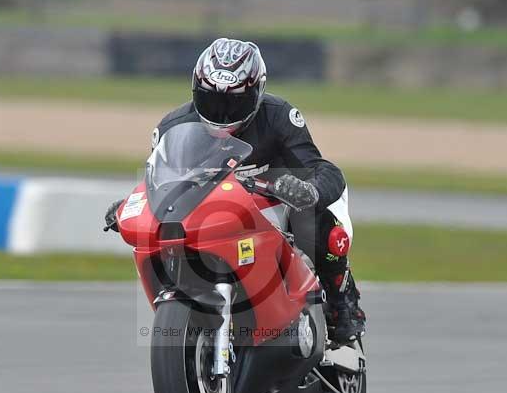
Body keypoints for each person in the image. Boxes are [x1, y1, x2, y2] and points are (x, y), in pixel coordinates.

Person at [105, 38, 365, 343]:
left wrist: (307, 189)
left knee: (319, 224)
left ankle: (341, 303)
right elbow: (161, 183)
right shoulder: (172, 127)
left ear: (257, 93)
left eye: (234, 103)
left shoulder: (279, 116)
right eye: (211, 100)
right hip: (213, 217)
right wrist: (132, 205)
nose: (223, 114)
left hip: (273, 207)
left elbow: (324, 169)